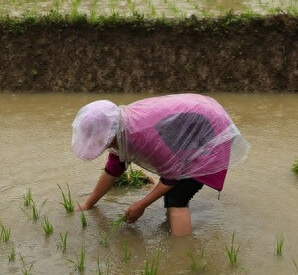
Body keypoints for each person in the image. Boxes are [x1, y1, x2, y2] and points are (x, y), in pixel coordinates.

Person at [72, 93, 249, 236]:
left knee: (176, 198)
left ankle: (182, 256)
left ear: (110, 133)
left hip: (212, 132)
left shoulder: (141, 135)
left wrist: (141, 204)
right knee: (174, 195)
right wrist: (88, 204)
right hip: (195, 121)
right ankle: (175, 228)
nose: (104, 146)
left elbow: (171, 177)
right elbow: (113, 169)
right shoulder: (122, 130)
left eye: (103, 142)